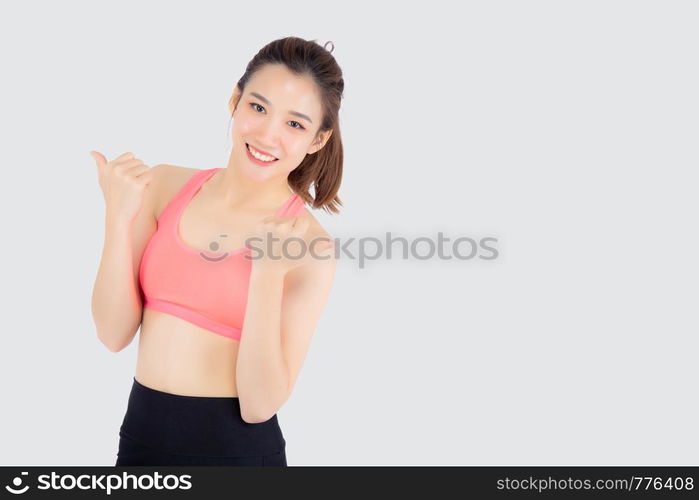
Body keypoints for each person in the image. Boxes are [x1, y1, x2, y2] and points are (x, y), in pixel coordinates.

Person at [90, 36, 344, 466]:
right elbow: (113, 334)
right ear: (235, 100)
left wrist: (266, 274)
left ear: (318, 141)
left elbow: (259, 405)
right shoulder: (165, 186)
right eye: (258, 108)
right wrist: (118, 218)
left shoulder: (309, 245)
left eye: (295, 125)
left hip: (238, 455)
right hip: (140, 442)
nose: (267, 135)